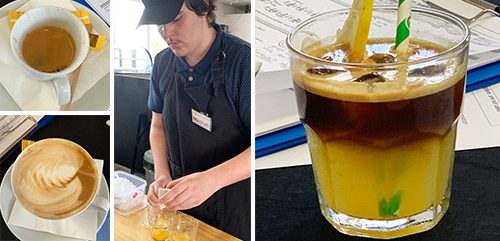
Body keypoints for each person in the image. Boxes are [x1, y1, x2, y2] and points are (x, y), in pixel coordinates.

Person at [138, 0, 251, 240]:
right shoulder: (162, 63)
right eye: (160, 23)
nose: (167, 32)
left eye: (177, 18)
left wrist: (211, 180)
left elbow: (263, 144)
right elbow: (157, 125)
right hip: (178, 201)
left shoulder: (243, 61)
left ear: (204, 6)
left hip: (231, 205)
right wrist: (161, 174)